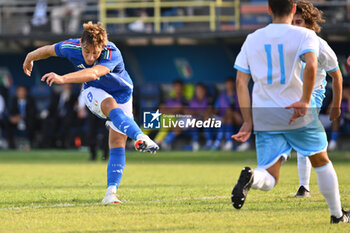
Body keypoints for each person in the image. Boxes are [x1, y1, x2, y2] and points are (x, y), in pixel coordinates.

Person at [230, 0, 349, 223]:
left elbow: (240, 82)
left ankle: (253, 177)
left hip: (265, 114)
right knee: (321, 159)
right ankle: (337, 215)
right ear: (293, 8)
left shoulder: (252, 39)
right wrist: (305, 101)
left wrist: (247, 121)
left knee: (270, 175)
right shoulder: (305, 36)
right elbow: (312, 66)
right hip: (295, 109)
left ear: (268, 9)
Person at [23, 21, 159, 204]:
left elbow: (94, 72)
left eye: (95, 53)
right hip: (92, 91)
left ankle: (110, 194)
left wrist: (63, 78)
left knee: (117, 142)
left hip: (123, 94)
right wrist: (29, 57)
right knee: (111, 106)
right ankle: (140, 136)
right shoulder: (70, 46)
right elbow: (48, 50)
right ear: (81, 44)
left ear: (102, 47)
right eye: (87, 52)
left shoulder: (112, 52)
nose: (90, 56)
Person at [291, 0, 343, 198]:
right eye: (292, 22)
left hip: (314, 93)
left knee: (303, 129)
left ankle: (304, 187)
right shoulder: (287, 43)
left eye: (299, 21)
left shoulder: (321, 47)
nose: (295, 26)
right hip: (293, 93)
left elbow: (336, 76)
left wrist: (336, 106)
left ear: (310, 23)